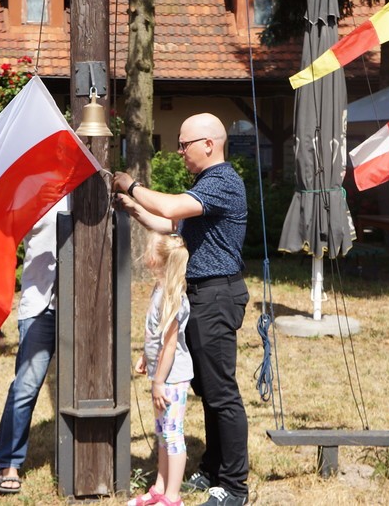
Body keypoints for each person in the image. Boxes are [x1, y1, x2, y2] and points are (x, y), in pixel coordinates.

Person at [114, 113, 250, 506]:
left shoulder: (223, 180)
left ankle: (234, 487)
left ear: (208, 144)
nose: (179, 151)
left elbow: (171, 206)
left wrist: (132, 184)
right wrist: (132, 207)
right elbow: (172, 223)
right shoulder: (206, 184)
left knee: (221, 393)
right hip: (200, 296)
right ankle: (212, 468)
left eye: (183, 144)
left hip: (216, 296)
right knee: (207, 389)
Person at [0, 196, 68, 495]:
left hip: (82, 305)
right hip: (40, 305)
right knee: (26, 386)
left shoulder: (89, 188)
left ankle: (83, 458)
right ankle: (8, 464)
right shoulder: (34, 190)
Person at [127, 232, 193, 506]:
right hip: (161, 376)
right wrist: (146, 356)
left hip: (172, 379)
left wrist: (158, 383)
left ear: (159, 260)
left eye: (149, 249)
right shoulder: (159, 288)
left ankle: (173, 497)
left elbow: (170, 345)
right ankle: (160, 488)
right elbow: (155, 334)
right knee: (163, 434)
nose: (145, 252)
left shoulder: (172, 297)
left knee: (173, 435)